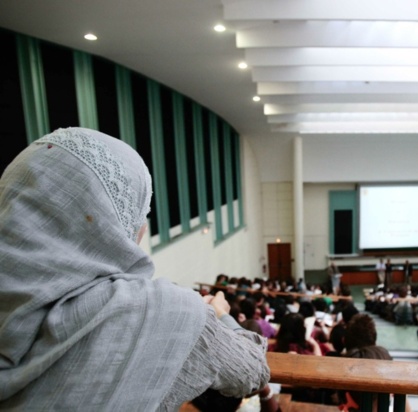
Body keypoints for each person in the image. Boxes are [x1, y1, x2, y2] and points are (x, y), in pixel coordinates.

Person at [0, 128, 270, 409]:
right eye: (140, 213)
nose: (141, 228)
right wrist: (216, 316)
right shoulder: (161, 311)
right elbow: (252, 371)